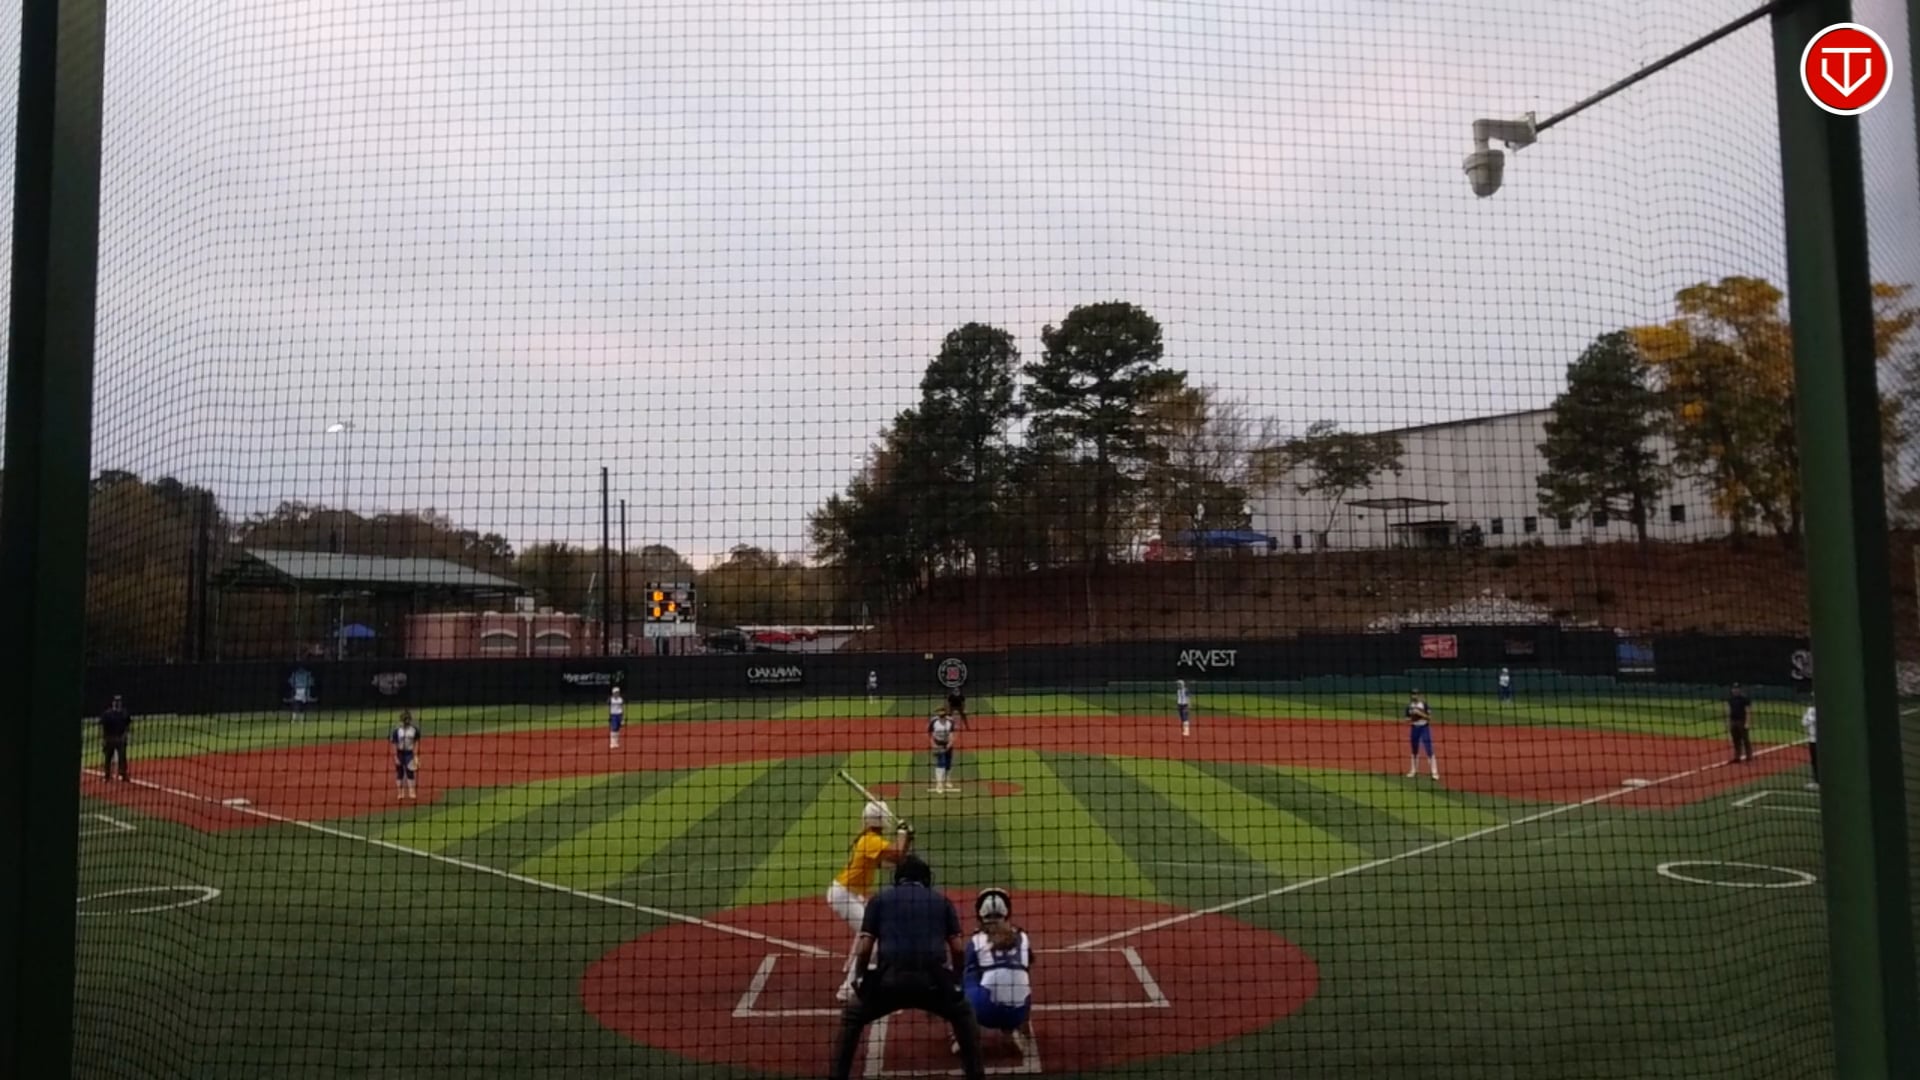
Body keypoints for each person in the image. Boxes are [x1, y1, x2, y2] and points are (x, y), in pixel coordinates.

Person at [829, 854, 986, 1080]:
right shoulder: (942, 902)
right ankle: (975, 1075)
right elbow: (959, 949)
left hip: (889, 981)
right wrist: (955, 981)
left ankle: (837, 1076)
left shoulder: (879, 901)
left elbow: (864, 949)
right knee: (964, 1014)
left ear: (897, 878)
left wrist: (861, 978)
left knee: (851, 1017)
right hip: (933, 983)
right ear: (926, 879)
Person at [829, 801, 914, 1001]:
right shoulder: (871, 841)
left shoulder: (870, 839)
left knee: (870, 928)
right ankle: (848, 989)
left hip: (851, 894)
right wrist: (903, 833)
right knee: (873, 936)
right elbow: (896, 855)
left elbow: (894, 861)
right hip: (844, 895)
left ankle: (856, 969)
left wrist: (906, 839)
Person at [959, 887, 1036, 1059]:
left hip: (985, 1013)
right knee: (1021, 977)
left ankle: (961, 1037)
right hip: (1018, 1014)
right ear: (1006, 913)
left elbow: (962, 971)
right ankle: (1012, 1033)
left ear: (980, 915)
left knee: (963, 979)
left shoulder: (976, 940)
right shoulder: (1023, 937)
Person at [99, 695, 133, 782]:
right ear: (113, 703)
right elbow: (102, 726)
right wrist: (103, 739)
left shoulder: (124, 713)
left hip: (120, 738)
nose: (117, 703)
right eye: (116, 702)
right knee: (108, 758)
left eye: (119, 702)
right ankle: (107, 775)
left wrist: (126, 735)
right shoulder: (107, 714)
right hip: (109, 738)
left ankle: (123, 774)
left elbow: (128, 725)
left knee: (122, 757)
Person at [1406, 690, 1438, 781]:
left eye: (1416, 694)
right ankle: (1413, 770)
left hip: (1424, 728)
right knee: (1414, 749)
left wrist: (1420, 714)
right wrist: (1413, 718)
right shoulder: (1409, 707)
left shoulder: (1424, 705)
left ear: (1419, 695)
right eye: (1413, 694)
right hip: (1414, 728)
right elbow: (1406, 719)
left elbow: (1429, 718)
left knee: (1428, 749)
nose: (1414, 696)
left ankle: (1434, 773)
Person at [390, 710, 422, 801]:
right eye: (404, 720)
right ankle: (400, 793)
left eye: (407, 719)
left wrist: (415, 755)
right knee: (399, 773)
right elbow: (394, 744)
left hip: (409, 753)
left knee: (410, 772)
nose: (406, 721)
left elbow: (416, 742)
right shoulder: (397, 731)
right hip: (400, 753)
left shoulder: (414, 730)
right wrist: (395, 757)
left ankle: (412, 792)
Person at [929, 707, 959, 793]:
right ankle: (939, 783)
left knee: (948, 763)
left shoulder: (950, 721)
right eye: (940, 714)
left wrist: (950, 743)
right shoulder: (934, 721)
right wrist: (933, 744)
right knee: (941, 763)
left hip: (947, 744)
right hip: (938, 744)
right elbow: (930, 733)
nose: (941, 715)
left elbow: (952, 734)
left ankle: (947, 779)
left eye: (943, 714)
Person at [1727, 683, 1753, 764]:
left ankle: (1749, 756)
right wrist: (1728, 722)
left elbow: (1748, 711)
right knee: (1735, 740)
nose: (1735, 690)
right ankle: (1737, 757)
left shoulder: (1744, 699)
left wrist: (1747, 722)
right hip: (1733, 721)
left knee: (1745, 739)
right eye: (1734, 688)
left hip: (1742, 721)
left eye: (1737, 688)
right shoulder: (1731, 699)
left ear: (1740, 689)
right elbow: (1729, 711)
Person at [1801, 695, 1818, 790]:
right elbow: (1804, 722)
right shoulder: (1810, 710)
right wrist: (1811, 719)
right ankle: (1817, 781)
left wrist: (1811, 719)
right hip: (1812, 740)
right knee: (1814, 761)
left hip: (1822, 741)